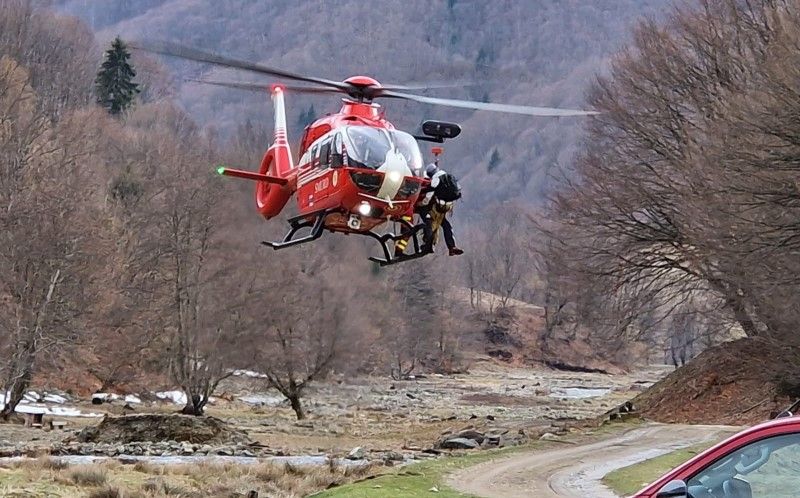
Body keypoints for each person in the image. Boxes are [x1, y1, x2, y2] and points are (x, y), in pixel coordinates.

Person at [418, 163, 464, 256]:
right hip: (448, 207)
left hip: (438, 206)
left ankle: (428, 244)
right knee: (446, 225)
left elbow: (428, 195)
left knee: (430, 222)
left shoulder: (435, 179)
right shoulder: (447, 176)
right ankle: (452, 246)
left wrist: (422, 204)